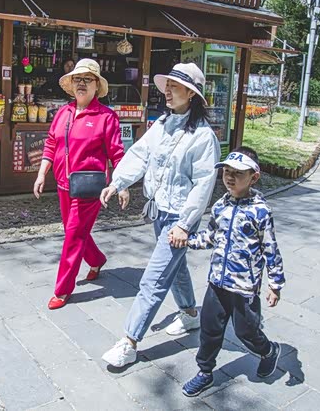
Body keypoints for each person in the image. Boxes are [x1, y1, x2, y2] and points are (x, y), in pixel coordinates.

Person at [99, 63, 220, 368]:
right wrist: (118, 182)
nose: (167, 91)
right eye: (167, 85)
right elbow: (140, 154)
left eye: (175, 87)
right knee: (174, 267)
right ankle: (190, 314)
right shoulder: (162, 124)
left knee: (154, 278)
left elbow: (203, 184)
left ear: (191, 94)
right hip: (159, 210)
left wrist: (184, 225)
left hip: (180, 217)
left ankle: (130, 341)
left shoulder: (203, 137)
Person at [180, 146, 285, 397]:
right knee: (209, 329)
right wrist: (187, 240)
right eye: (227, 171)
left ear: (253, 177)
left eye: (238, 173)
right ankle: (205, 372)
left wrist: (275, 284)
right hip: (217, 282)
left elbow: (270, 248)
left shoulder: (260, 211)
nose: (230, 177)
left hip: (244, 287)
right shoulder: (220, 205)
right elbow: (211, 236)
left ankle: (269, 351)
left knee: (246, 332)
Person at [34, 58, 126, 310]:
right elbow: (51, 144)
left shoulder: (106, 117)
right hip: (64, 184)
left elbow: (117, 154)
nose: (81, 83)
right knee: (74, 231)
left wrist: (122, 184)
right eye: (77, 79)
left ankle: (63, 289)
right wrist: (42, 174)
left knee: (73, 235)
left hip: (89, 187)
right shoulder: (63, 113)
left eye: (87, 79)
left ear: (97, 85)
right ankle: (96, 260)